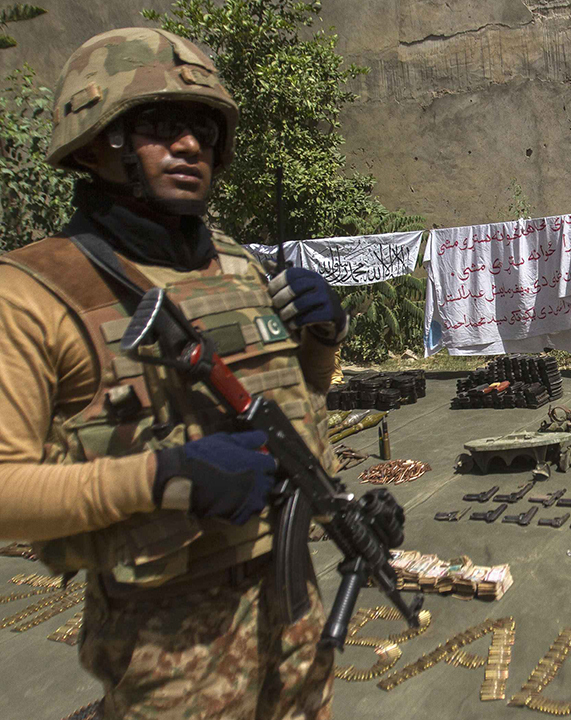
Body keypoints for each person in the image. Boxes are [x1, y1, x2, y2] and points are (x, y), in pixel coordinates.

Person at [0, 28, 347, 719]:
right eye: (160, 126)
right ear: (98, 141)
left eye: (202, 129)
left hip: (296, 612)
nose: (190, 146)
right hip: (171, 652)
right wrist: (161, 477)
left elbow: (296, 399)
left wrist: (323, 339)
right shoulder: (33, 293)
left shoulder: (240, 266)